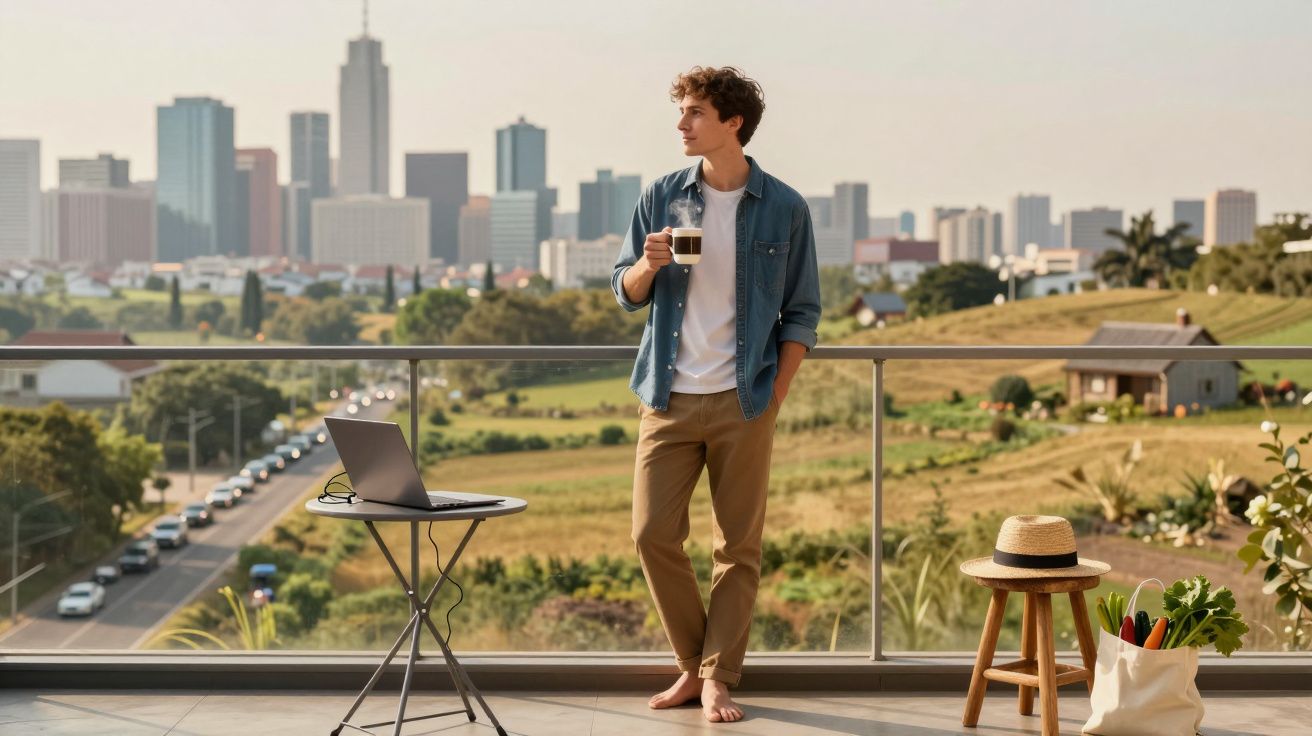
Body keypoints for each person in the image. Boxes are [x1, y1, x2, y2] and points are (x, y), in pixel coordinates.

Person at [610, 65, 821, 723]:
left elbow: (803, 312)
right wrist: (648, 263)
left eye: (695, 112)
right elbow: (623, 291)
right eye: (682, 112)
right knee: (651, 535)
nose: (681, 124)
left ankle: (715, 678)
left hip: (743, 400)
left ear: (732, 122)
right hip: (667, 396)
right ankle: (693, 664)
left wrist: (773, 394)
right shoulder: (663, 195)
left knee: (738, 548)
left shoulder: (785, 208)